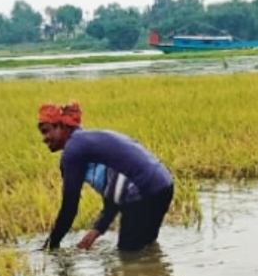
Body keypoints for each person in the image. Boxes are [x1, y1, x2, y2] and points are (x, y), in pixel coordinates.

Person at [38, 101, 174, 252]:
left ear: (62, 127)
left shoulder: (72, 151)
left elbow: (69, 207)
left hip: (144, 193)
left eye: (46, 131)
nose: (44, 138)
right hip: (164, 186)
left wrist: (50, 247)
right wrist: (97, 230)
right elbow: (116, 191)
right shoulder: (88, 141)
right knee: (147, 249)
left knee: (128, 258)